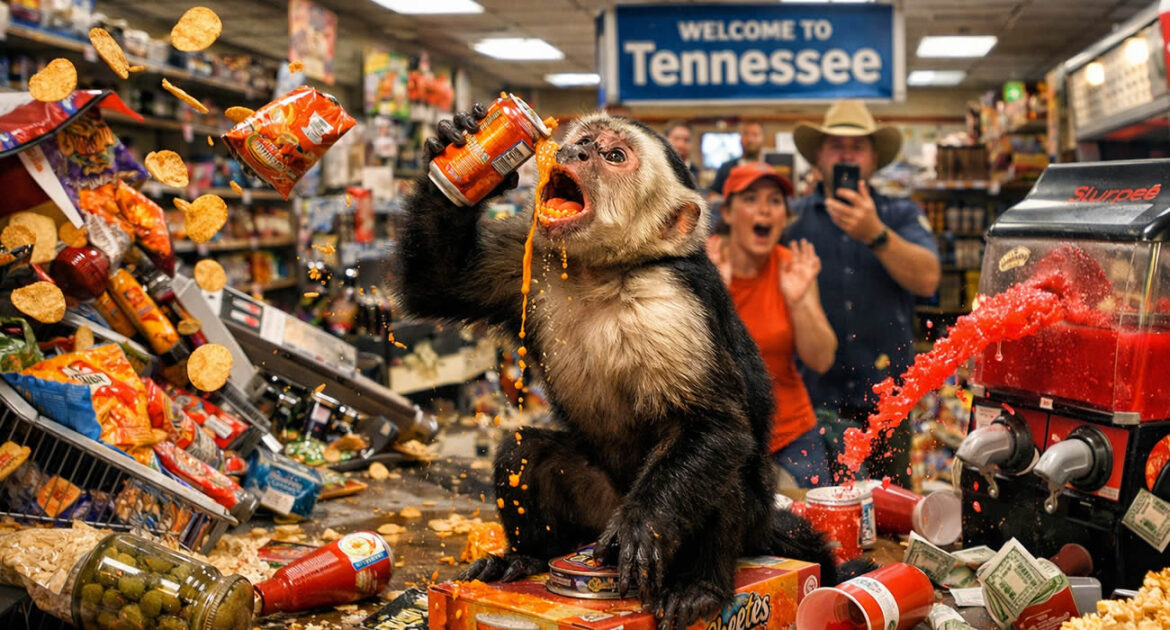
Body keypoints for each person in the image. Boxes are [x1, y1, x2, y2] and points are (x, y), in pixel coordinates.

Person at [787, 99, 940, 487]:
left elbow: (928, 280)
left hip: (887, 405)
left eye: (857, 146)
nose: (846, 153)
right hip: (812, 403)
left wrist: (876, 234)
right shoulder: (790, 218)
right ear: (819, 158)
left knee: (892, 520)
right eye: (836, 145)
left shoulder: (899, 214)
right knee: (818, 520)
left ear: (873, 159)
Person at [707, 162, 837, 488]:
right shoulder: (704, 265)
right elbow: (688, 368)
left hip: (791, 433)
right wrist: (717, 297)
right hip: (718, 437)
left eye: (775, 200)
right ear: (727, 211)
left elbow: (821, 359)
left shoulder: (793, 267)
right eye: (750, 199)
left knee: (810, 531)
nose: (764, 209)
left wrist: (799, 302)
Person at [707, 120, 766, 204]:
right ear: (740, 138)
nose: (750, 139)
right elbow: (712, 197)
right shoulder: (726, 167)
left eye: (755, 135)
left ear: (763, 138)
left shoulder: (771, 168)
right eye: (746, 134)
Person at [664, 119, 701, 185]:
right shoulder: (657, 168)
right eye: (676, 138)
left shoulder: (696, 172)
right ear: (665, 140)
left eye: (686, 140)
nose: (681, 145)